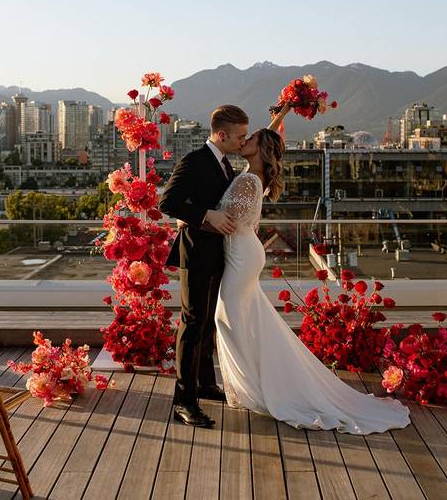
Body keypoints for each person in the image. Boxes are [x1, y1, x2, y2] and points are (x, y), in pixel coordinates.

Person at [213, 118, 411, 434]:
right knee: (243, 319)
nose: (244, 140)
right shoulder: (255, 176)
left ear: (261, 150)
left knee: (230, 318)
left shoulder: (250, 180)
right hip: (243, 252)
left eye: (250, 138)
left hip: (241, 254)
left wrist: (193, 219)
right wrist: (283, 111)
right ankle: (250, 386)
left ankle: (254, 389)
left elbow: (231, 221)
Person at [159, 105, 249, 428]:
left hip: (215, 254)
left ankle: (205, 384)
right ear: (221, 135)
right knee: (192, 324)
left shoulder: (225, 164)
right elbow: (166, 202)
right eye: (239, 136)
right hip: (195, 254)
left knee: (207, 323)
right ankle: (183, 402)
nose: (243, 141)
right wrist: (206, 215)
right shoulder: (194, 161)